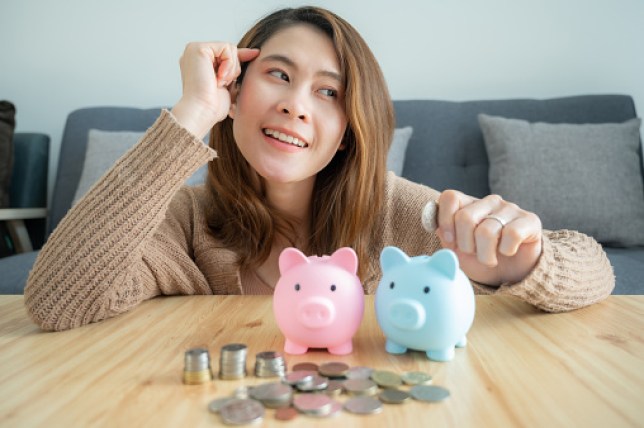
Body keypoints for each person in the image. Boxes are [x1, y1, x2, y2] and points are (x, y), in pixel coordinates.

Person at [24, 6, 614, 331]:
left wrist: (528, 259)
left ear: (348, 132)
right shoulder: (187, 221)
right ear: (235, 92)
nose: (296, 105)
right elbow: (56, 301)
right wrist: (191, 114)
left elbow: (597, 273)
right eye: (278, 75)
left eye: (329, 93)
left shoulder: (400, 210)